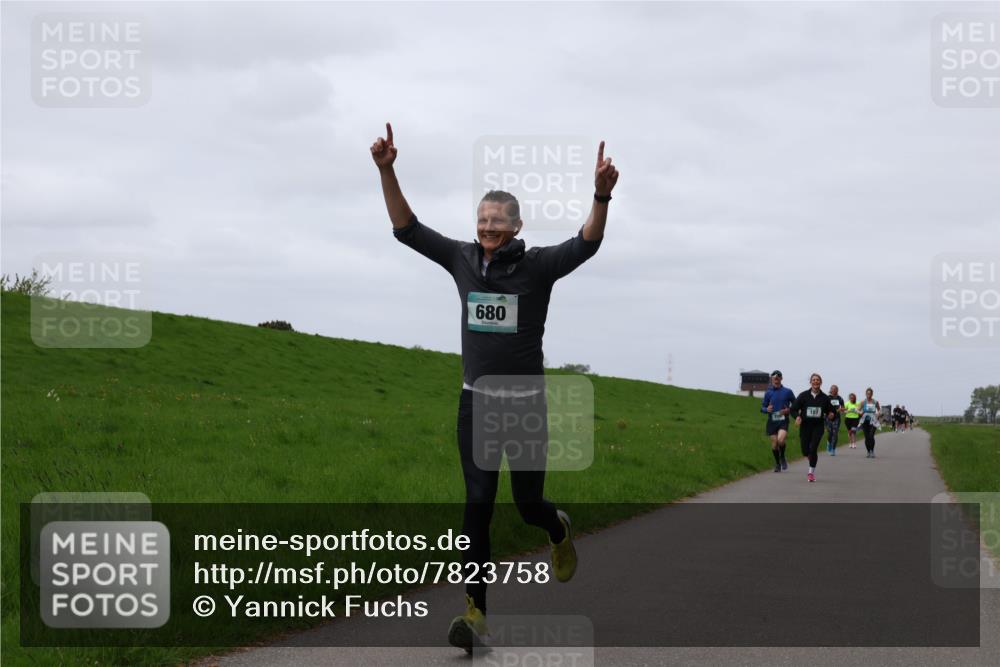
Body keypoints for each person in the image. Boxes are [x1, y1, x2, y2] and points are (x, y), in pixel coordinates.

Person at [371, 122, 619, 652]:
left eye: (497, 221)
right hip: (476, 405)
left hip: (526, 407)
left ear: (516, 225)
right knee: (478, 503)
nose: (487, 227)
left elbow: (587, 242)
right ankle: (476, 614)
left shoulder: (538, 266)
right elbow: (408, 229)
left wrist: (600, 196)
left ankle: (557, 528)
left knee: (527, 505)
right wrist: (387, 170)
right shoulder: (461, 259)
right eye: (482, 219)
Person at [791, 373, 835, 482]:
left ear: (821, 382)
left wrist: (831, 415)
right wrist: (797, 417)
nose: (815, 381)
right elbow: (793, 409)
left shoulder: (825, 398)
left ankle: (811, 473)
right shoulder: (803, 395)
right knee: (805, 451)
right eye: (814, 380)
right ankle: (810, 456)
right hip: (805, 426)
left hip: (818, 427)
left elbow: (832, 411)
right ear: (810, 382)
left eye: (817, 380)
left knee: (813, 448)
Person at [760, 370, 795, 472]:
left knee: (780, 440)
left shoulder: (788, 391)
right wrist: (766, 409)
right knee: (775, 444)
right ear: (771, 379)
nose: (776, 378)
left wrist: (788, 410)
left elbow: (796, 404)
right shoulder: (768, 393)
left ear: (781, 378)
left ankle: (782, 456)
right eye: (774, 377)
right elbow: (762, 407)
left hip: (783, 420)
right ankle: (777, 464)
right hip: (772, 421)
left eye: (778, 376)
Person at [859, 387, 881, 457]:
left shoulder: (875, 402)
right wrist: (860, 412)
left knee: (871, 435)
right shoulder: (863, 402)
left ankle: (872, 451)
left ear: (872, 394)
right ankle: (868, 451)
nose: (869, 395)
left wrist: (878, 414)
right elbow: (858, 409)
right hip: (865, 421)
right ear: (866, 394)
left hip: (873, 420)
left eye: (870, 393)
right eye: (867, 393)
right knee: (867, 437)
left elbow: (879, 410)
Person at [825, 384, 846, 455]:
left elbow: (843, 407)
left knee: (835, 433)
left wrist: (842, 409)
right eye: (832, 389)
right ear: (830, 390)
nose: (833, 390)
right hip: (828, 417)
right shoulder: (827, 398)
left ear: (837, 390)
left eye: (835, 389)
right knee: (830, 433)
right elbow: (824, 407)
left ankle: (833, 449)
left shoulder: (840, 398)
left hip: (836, 417)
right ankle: (828, 442)